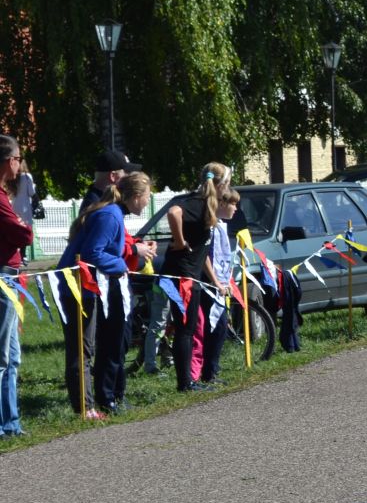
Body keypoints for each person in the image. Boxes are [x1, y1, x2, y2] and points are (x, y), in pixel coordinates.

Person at [59, 172, 150, 417]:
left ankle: (98, 402)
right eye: (147, 196)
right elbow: (93, 253)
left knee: (97, 345)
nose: (147, 201)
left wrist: (128, 254)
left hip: (91, 287)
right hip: (79, 287)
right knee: (84, 349)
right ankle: (88, 406)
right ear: (136, 196)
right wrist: (122, 264)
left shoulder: (113, 213)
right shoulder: (110, 215)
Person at [161, 166, 220, 392]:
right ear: (221, 185)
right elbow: (173, 212)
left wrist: (214, 280)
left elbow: (202, 252)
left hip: (190, 275)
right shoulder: (198, 203)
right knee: (185, 329)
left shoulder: (207, 206)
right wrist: (179, 241)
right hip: (181, 276)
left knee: (189, 327)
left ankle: (187, 381)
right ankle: (185, 383)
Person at [0, 137, 33, 436]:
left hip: (10, 276)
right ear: (9, 161)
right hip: (3, 277)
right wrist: (23, 227)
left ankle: (11, 422)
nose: (20, 164)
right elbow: (22, 234)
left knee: (12, 356)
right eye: (18, 158)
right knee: (1, 356)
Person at [197, 187, 242, 385]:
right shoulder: (211, 227)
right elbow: (205, 256)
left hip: (220, 283)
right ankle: (208, 372)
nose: (236, 208)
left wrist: (226, 281)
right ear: (222, 204)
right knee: (216, 326)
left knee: (221, 327)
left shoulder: (222, 226)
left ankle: (211, 369)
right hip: (208, 284)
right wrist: (216, 281)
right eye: (233, 204)